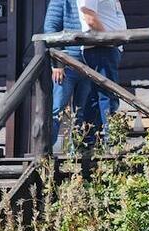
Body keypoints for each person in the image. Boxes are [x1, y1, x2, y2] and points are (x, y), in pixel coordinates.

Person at [44, 0, 97, 147]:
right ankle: (46, 152)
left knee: (81, 112)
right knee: (57, 110)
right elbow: (51, 28)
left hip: (88, 63)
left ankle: (78, 153)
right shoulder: (61, 1)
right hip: (66, 65)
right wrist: (57, 63)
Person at [76, 0, 127, 135]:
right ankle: (110, 141)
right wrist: (108, 39)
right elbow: (90, 18)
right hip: (101, 47)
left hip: (107, 48)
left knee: (97, 95)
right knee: (108, 94)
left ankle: (88, 141)